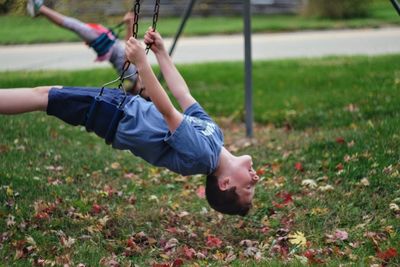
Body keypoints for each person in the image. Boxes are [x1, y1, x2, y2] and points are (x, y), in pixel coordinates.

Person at [1, 25, 259, 216]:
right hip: (123, 109)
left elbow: (169, 112)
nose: (255, 180)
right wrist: (162, 53)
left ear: (225, 183)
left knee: (45, 96)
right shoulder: (214, 138)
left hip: (117, 117)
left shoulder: (201, 156)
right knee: (47, 93)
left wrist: (142, 63)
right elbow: (184, 95)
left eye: (248, 189)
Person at [26, 0, 141, 94]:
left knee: (74, 25)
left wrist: (130, 26)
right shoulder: (137, 73)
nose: (146, 85)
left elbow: (129, 52)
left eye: (143, 89)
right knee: (75, 25)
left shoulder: (130, 75)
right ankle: (40, 10)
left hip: (104, 43)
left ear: (136, 89)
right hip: (108, 39)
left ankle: (40, 9)